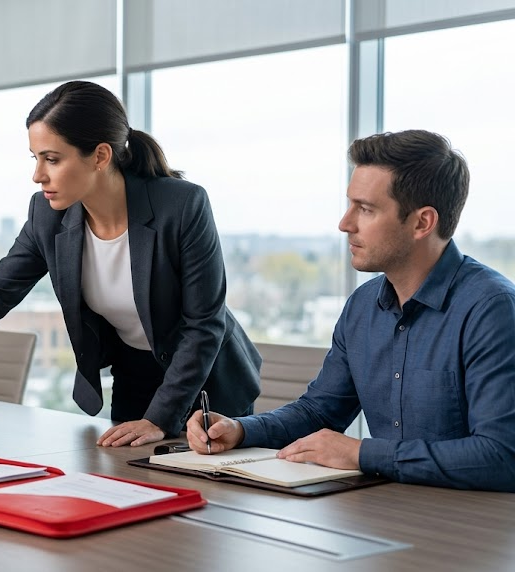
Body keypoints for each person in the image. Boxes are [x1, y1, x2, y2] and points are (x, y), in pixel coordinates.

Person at [0, 80, 261, 447]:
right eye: (34, 158)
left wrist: (160, 418)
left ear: (100, 156)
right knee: (132, 496)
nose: (37, 175)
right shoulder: (48, 215)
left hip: (207, 380)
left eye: (52, 159)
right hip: (137, 374)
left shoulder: (181, 205)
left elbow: (203, 325)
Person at [186, 130, 515, 492]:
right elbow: (320, 412)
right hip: (388, 513)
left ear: (423, 222)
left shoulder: (491, 309)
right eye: (350, 205)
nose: (345, 224)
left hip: (472, 529)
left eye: (366, 209)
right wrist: (241, 429)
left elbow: (501, 456)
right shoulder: (362, 306)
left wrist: (362, 454)